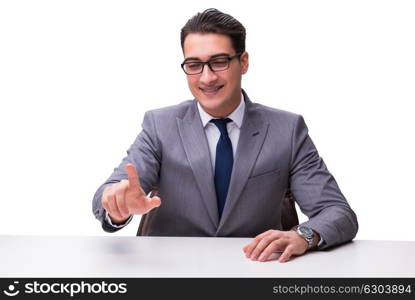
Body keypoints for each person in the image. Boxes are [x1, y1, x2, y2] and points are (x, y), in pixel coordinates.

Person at [92, 8, 358, 263]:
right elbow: (109, 193)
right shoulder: (159, 126)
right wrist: (118, 205)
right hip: (170, 273)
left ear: (243, 62)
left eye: (219, 62)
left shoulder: (287, 130)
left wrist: (304, 236)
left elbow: (338, 213)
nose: (206, 77)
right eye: (194, 64)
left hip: (254, 270)